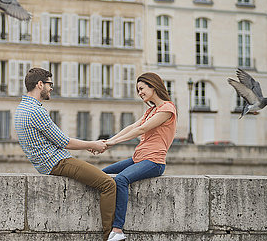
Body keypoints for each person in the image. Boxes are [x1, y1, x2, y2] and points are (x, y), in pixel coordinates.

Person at [14, 67, 117, 241]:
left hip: (46, 163)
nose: (51, 88)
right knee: (108, 184)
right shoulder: (36, 111)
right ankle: (110, 235)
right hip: (57, 162)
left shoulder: (21, 108)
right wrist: (92, 144)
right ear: (40, 85)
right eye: (49, 84)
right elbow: (64, 142)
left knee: (102, 176)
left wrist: (88, 146)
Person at [101, 72, 178, 241]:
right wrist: (108, 142)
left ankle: (118, 229)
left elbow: (140, 130)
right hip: (139, 158)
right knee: (102, 175)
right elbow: (131, 127)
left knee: (121, 179)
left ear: (153, 86)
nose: (140, 93)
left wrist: (114, 143)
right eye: (138, 90)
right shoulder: (151, 110)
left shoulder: (167, 108)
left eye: (142, 88)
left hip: (154, 161)